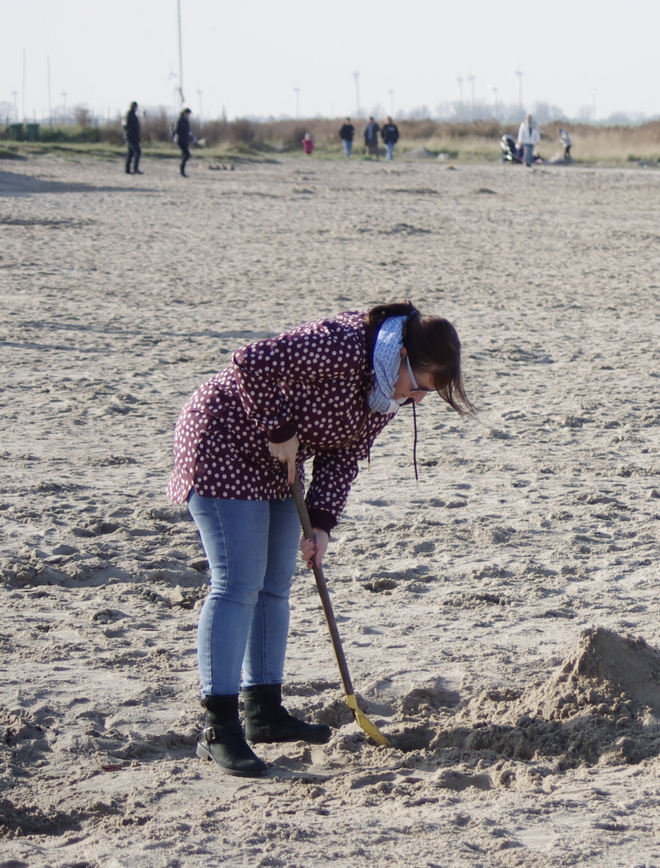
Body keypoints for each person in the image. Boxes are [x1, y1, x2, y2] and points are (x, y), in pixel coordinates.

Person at [167, 302, 474, 777]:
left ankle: (263, 713)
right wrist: (281, 429)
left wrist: (323, 524)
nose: (414, 400)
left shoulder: (384, 393)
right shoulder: (343, 344)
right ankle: (218, 729)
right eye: (418, 386)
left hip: (277, 464)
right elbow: (252, 360)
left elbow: (344, 455)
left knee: (273, 583)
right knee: (238, 583)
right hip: (222, 441)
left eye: (424, 396)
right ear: (404, 356)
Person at [122, 101, 142, 174]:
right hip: (131, 137)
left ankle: (127, 169)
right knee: (138, 151)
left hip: (130, 137)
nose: (137, 108)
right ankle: (135, 168)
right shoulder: (130, 115)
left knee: (131, 152)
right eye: (136, 106)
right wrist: (133, 134)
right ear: (133, 107)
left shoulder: (130, 114)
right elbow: (127, 126)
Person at [174, 107, 193, 177]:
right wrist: (182, 136)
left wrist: (190, 137)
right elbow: (176, 130)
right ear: (185, 113)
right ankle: (181, 170)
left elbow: (187, 131)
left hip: (185, 140)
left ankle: (181, 169)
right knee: (187, 154)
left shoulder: (185, 120)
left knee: (185, 154)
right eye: (188, 113)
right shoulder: (180, 120)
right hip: (180, 140)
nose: (188, 115)